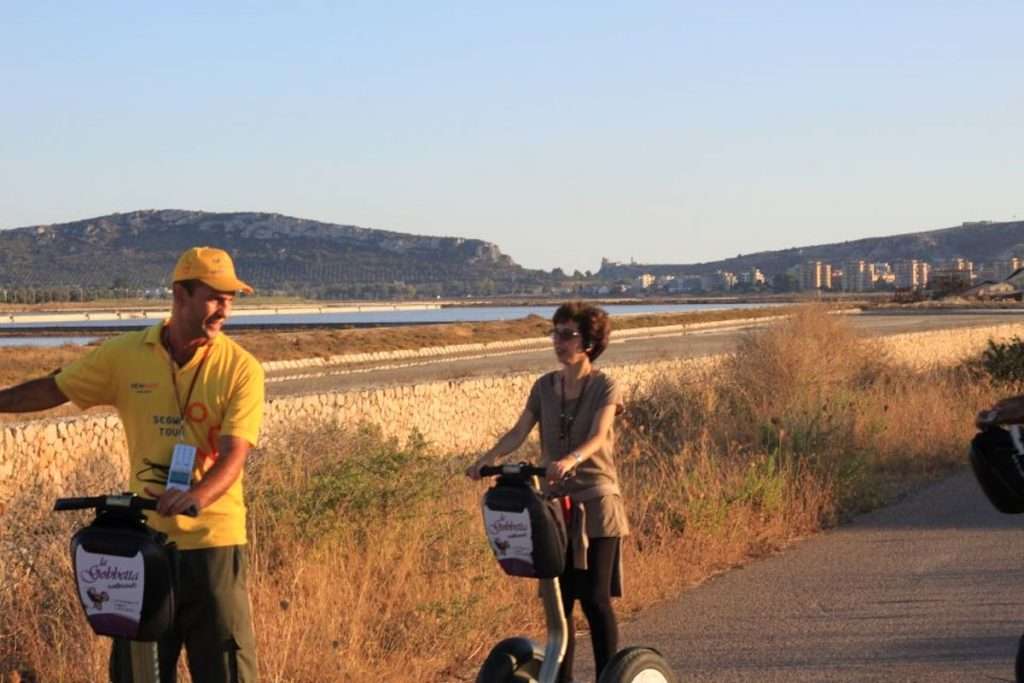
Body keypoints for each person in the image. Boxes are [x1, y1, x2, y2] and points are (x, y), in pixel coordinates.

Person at [0, 246, 265, 683]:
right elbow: (54, 389)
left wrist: (196, 497)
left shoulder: (241, 369)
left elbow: (235, 452)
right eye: (215, 297)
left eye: (231, 299)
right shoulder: (125, 355)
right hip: (141, 546)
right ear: (181, 295)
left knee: (227, 669)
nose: (225, 311)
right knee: (137, 673)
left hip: (213, 544)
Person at [467, 301, 628, 683]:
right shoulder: (544, 387)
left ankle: (610, 676)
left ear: (588, 342)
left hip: (596, 501)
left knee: (594, 598)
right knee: (560, 601)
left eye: (567, 335)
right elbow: (519, 431)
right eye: (555, 333)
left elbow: (599, 434)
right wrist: (485, 460)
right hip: (554, 506)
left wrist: (571, 458)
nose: (558, 341)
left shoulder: (606, 385)